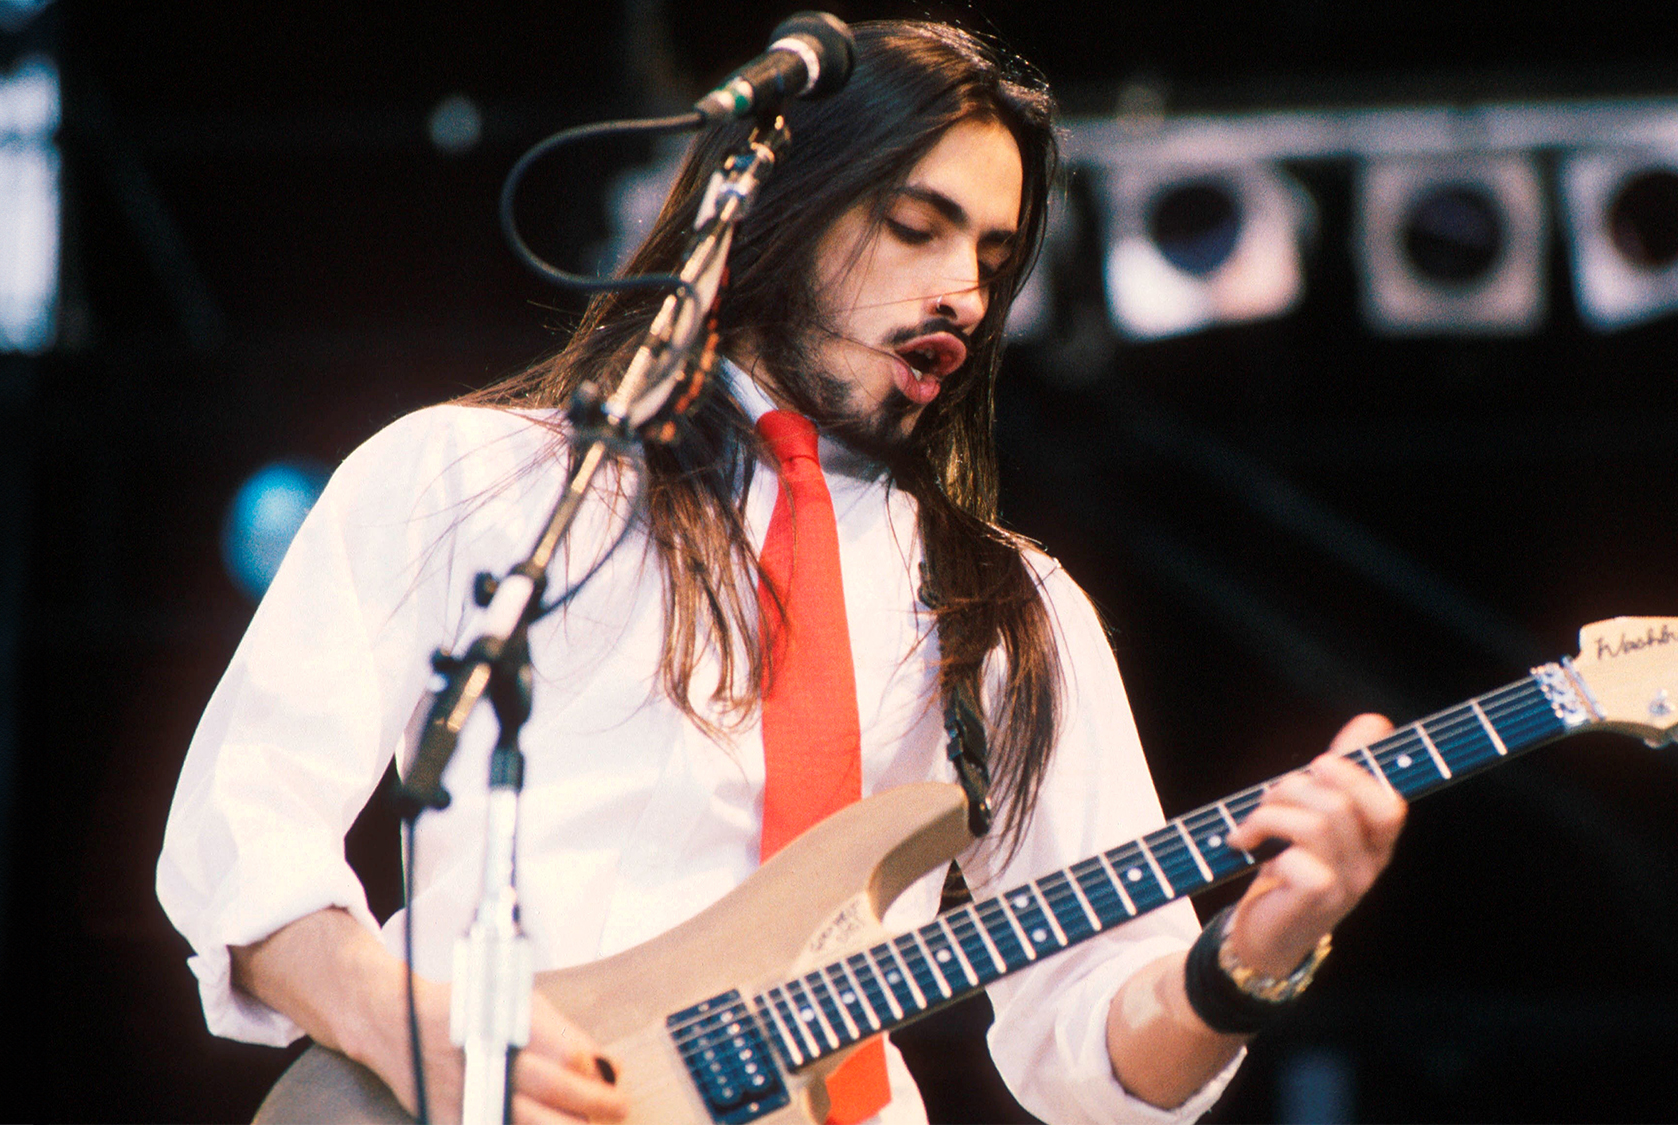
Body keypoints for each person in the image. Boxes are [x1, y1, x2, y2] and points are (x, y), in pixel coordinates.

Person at [157, 20, 1404, 1125]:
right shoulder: (470, 481)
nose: (963, 294)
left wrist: (1242, 966)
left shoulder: (1011, 614)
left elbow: (1087, 1052)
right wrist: (400, 1023)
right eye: (914, 227)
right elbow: (241, 827)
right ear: (777, 210)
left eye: (990, 257)